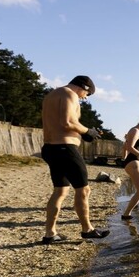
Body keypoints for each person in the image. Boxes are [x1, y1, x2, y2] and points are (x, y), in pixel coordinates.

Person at [40, 75, 110, 244]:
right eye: (87, 94)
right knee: (84, 190)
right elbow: (67, 122)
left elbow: (59, 123)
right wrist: (87, 131)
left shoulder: (51, 95)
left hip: (50, 148)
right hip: (65, 149)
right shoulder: (70, 94)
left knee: (60, 191)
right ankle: (87, 230)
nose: (84, 98)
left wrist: (83, 133)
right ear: (83, 87)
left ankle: (50, 234)